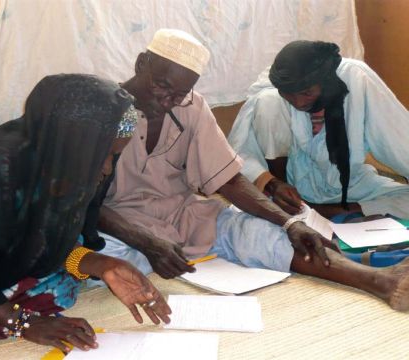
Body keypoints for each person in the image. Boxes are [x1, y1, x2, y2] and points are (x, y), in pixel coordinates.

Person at [94, 29, 409, 312]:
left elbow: (229, 182)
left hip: (181, 215)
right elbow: (82, 206)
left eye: (180, 94)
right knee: (100, 260)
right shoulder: (100, 110)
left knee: (265, 233)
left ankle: (379, 280)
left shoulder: (191, 105)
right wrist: (147, 242)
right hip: (119, 226)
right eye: (162, 86)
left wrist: (289, 223)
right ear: (141, 64)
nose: (169, 101)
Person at [0, 74, 171, 360]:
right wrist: (22, 322)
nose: (107, 168)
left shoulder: (57, 165)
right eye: (103, 154)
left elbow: (44, 237)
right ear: (73, 143)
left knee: (59, 285)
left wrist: (100, 263)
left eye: (113, 156)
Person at [228, 40, 409, 219]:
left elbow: (400, 140)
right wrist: (273, 185)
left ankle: (330, 211)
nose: (298, 103)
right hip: (289, 190)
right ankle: (307, 209)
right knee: (268, 101)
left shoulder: (355, 78)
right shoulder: (272, 90)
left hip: (350, 186)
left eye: (307, 93)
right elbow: (239, 155)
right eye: (289, 95)